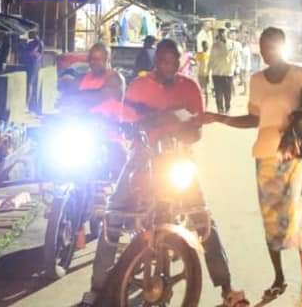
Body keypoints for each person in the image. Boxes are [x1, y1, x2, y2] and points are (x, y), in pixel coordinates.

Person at [82, 39, 248, 307]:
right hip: (143, 157)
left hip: (177, 157)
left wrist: (180, 126)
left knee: (202, 217)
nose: (168, 66)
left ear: (179, 62)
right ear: (156, 61)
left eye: (173, 61)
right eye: (163, 61)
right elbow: (128, 123)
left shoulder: (190, 87)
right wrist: (156, 120)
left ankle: (227, 288)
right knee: (113, 216)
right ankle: (96, 290)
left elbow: (196, 133)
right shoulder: (138, 86)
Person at [206, 27, 302, 307]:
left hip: (294, 156)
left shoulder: (299, 75)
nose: (268, 51)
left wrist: (298, 115)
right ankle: (278, 277)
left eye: (273, 46)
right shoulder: (256, 80)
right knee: (272, 223)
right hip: (266, 158)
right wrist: (220, 118)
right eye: (263, 46)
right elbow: (254, 119)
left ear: (283, 46)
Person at [209, 30, 236, 113]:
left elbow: (235, 57)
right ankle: (220, 111)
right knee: (218, 95)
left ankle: (227, 108)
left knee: (227, 95)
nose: (222, 34)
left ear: (226, 33)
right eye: (220, 32)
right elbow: (211, 59)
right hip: (217, 73)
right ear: (219, 34)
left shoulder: (232, 44)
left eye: (223, 32)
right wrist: (208, 71)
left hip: (228, 74)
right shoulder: (214, 45)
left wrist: (236, 69)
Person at [196, 40, 212, 106]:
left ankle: (206, 105)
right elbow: (197, 63)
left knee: (206, 91)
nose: (207, 47)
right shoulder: (199, 54)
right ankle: (201, 104)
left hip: (207, 75)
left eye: (207, 45)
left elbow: (210, 65)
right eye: (206, 45)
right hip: (200, 74)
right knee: (201, 90)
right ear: (203, 46)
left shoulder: (209, 54)